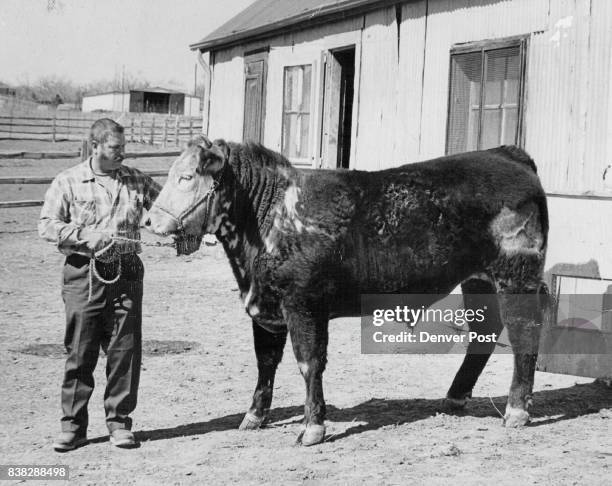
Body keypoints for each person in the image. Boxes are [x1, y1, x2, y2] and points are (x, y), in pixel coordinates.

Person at [39, 118, 160, 451]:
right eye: (115, 148)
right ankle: (72, 428)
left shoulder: (136, 180)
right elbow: (47, 225)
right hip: (85, 273)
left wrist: (167, 225)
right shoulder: (69, 181)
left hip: (128, 272)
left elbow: (164, 211)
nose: (122, 153)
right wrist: (84, 236)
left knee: (125, 349)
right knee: (80, 349)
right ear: (95, 146)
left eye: (123, 147)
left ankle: (120, 424)